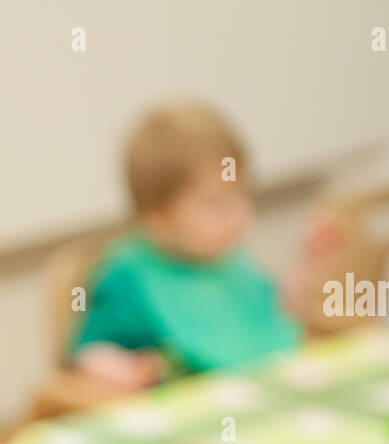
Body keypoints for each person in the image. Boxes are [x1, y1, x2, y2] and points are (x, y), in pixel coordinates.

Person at [68, 102, 302, 394]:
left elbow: (270, 316)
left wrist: (310, 268)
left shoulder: (228, 259)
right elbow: (88, 351)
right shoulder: (128, 277)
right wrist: (121, 369)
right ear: (157, 215)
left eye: (241, 195)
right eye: (215, 203)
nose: (238, 215)